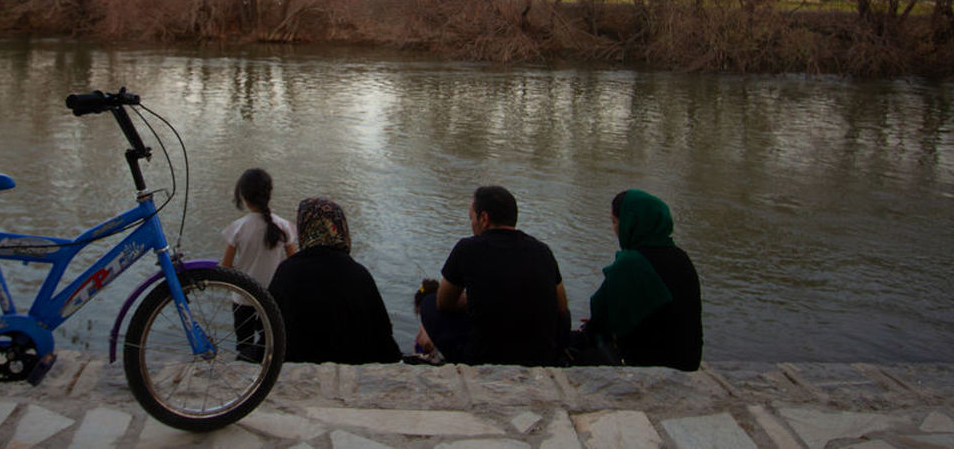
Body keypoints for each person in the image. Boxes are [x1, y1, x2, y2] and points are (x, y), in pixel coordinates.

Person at [420, 185, 570, 366]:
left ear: (484, 218)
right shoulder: (543, 251)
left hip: (484, 357)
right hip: (540, 356)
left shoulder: (467, 248)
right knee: (564, 318)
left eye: (472, 218)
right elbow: (562, 307)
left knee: (429, 303)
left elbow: (444, 303)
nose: (472, 224)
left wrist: (478, 299)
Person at [576, 189, 702, 371]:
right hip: (687, 361)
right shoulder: (681, 257)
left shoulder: (632, 263)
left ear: (630, 224)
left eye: (614, 222)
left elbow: (600, 319)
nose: (614, 230)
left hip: (650, 365)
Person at [267, 197, 401, 364]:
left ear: (304, 227)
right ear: (340, 228)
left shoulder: (286, 272)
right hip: (353, 366)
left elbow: (266, 329)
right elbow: (382, 335)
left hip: (294, 364)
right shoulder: (359, 274)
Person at [219, 168, 297, 361]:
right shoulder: (283, 226)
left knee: (244, 346)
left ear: (244, 197)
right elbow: (294, 264)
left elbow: (225, 268)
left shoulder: (238, 227)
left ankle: (245, 374)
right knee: (269, 342)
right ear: (269, 194)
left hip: (243, 298)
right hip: (271, 299)